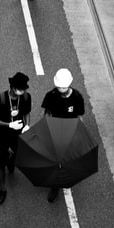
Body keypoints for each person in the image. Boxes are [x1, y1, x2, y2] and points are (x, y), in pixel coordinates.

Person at [41, 68, 85, 202]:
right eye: (59, 87)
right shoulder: (51, 96)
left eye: (63, 87)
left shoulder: (77, 97)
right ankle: (55, 185)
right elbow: (46, 113)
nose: (61, 89)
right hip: (55, 130)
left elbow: (80, 116)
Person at [0, 72, 30, 205]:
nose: (21, 91)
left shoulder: (26, 97)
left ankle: (11, 160)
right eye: (19, 89)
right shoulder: (1, 99)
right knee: (0, 162)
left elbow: (26, 112)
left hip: (19, 134)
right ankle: (2, 189)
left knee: (19, 156)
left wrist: (27, 125)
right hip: (3, 134)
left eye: (23, 89)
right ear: (12, 87)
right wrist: (9, 124)